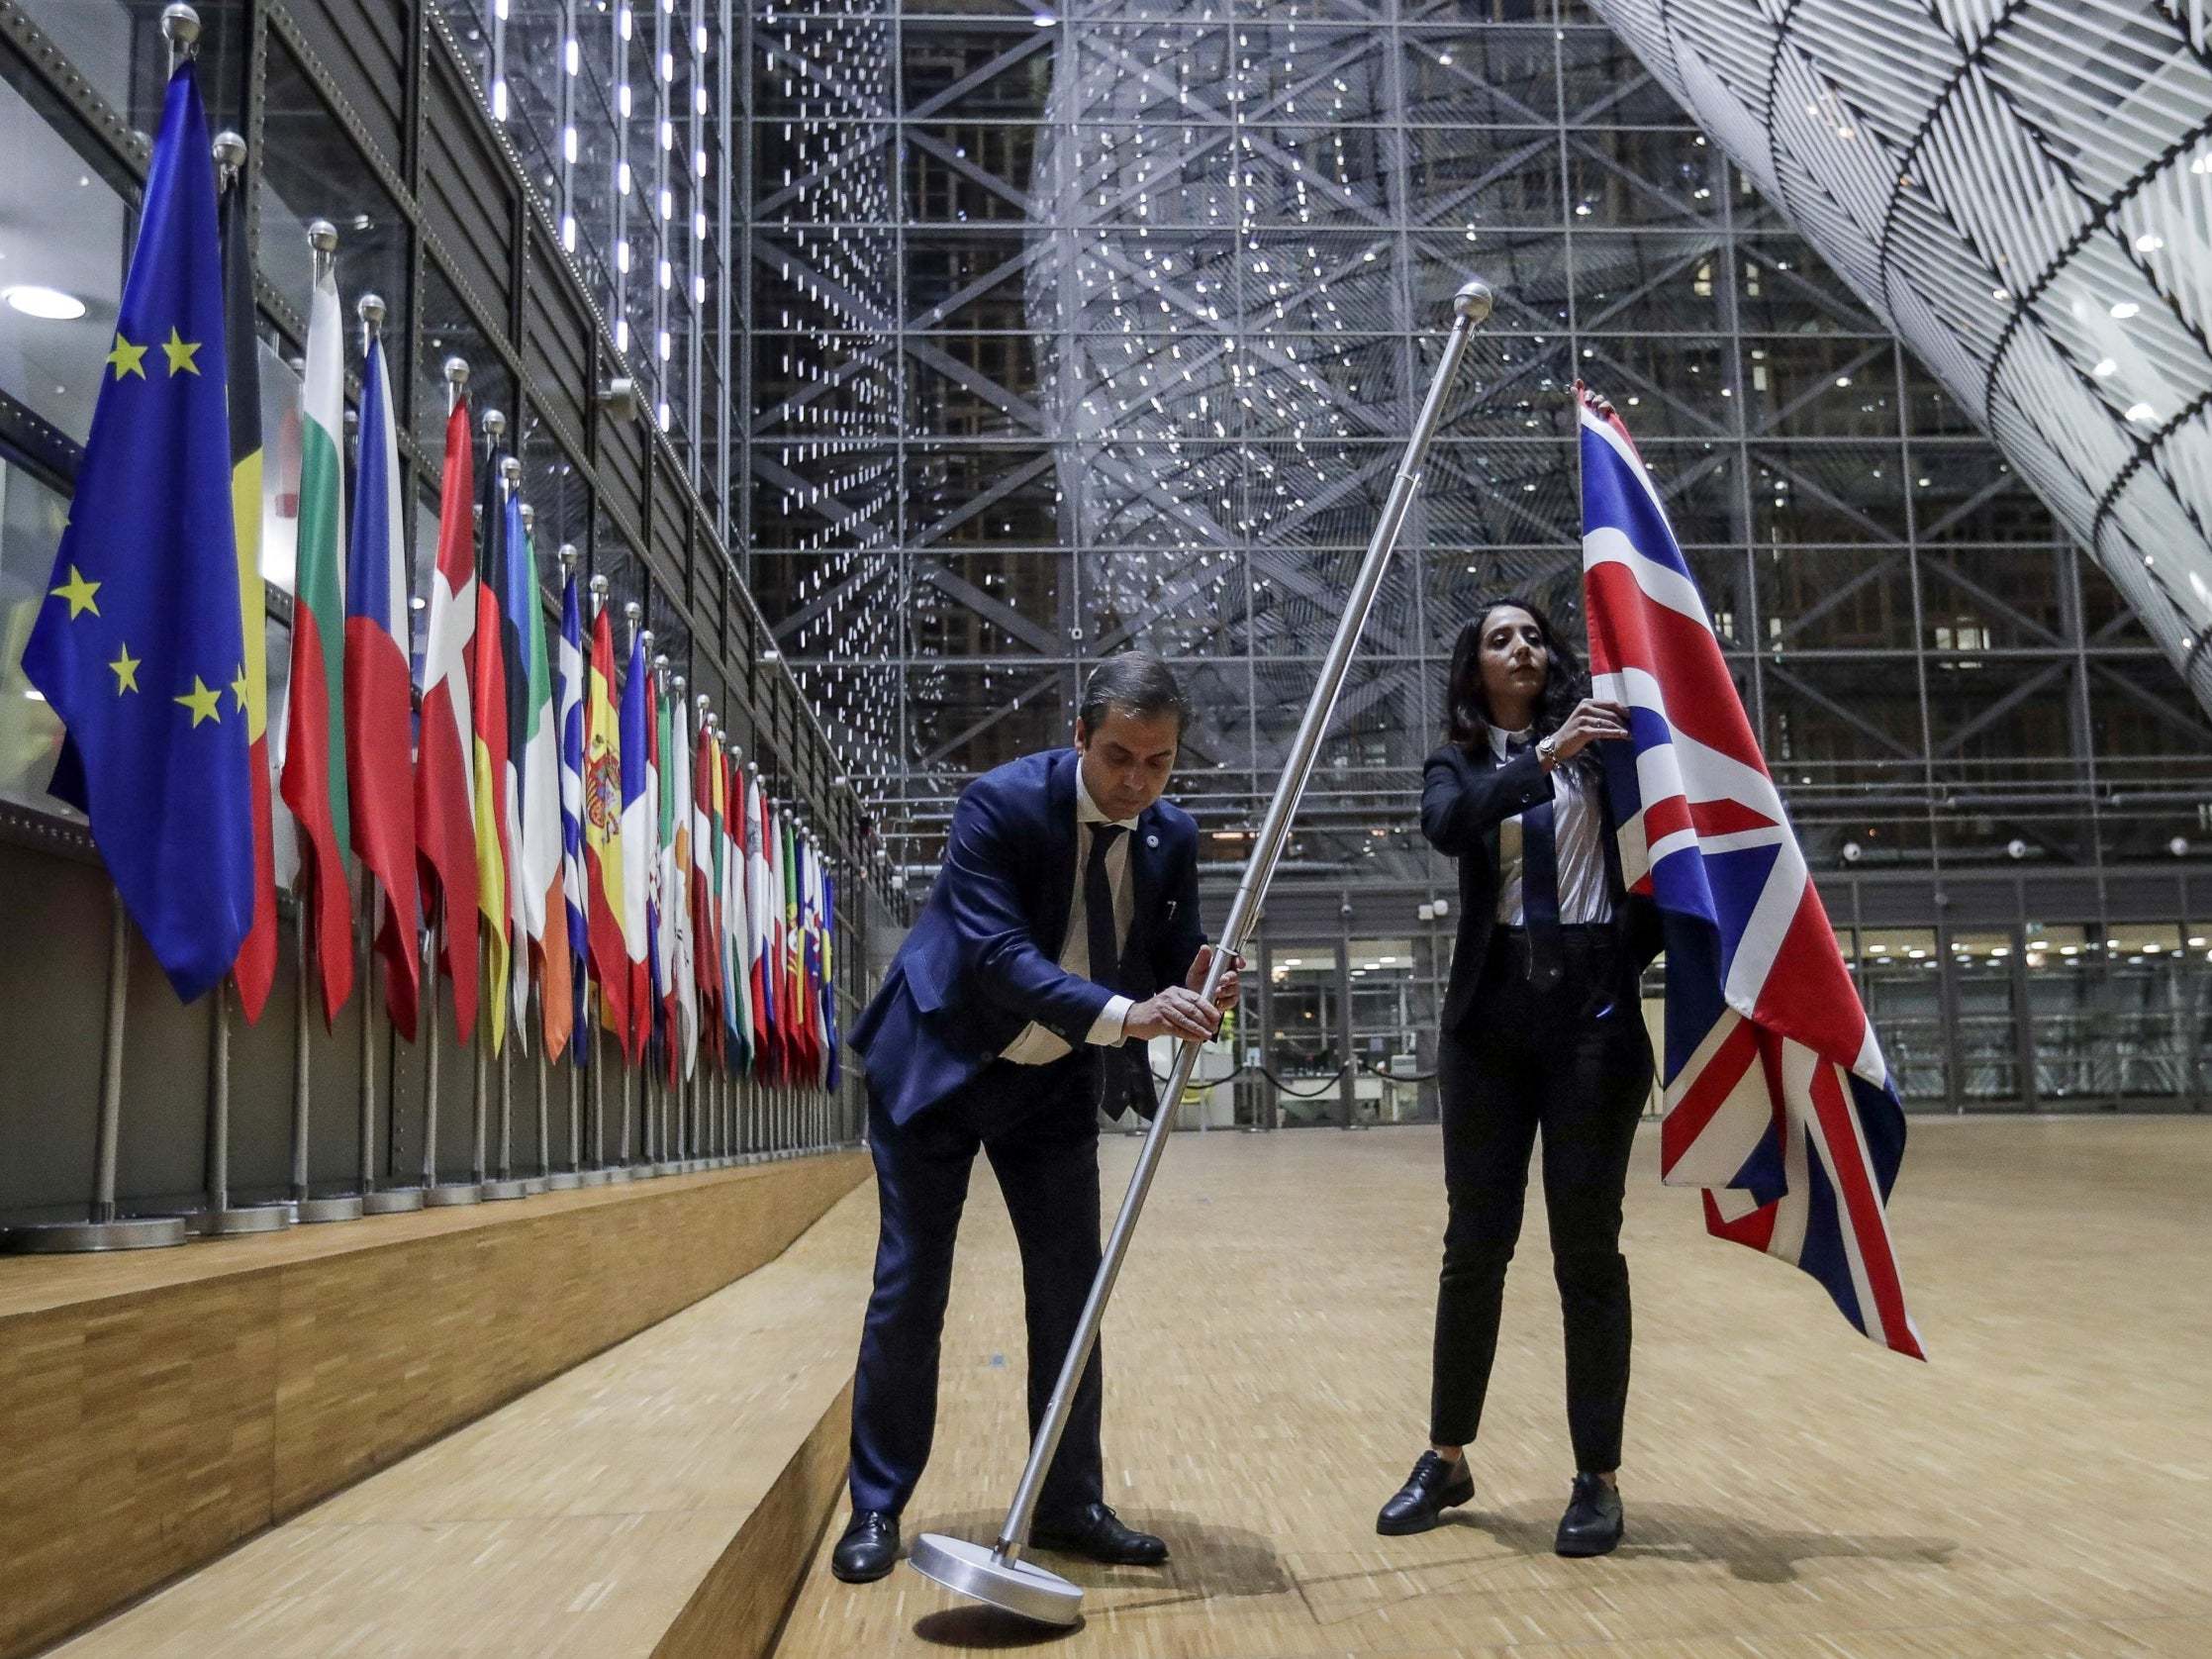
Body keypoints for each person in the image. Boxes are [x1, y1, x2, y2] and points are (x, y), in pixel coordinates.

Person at [830, 652, 1241, 1584]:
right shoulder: (999, 805)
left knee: (1071, 1292)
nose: (1137, 782)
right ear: (1078, 740)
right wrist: (1123, 1015)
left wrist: (1195, 983)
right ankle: (876, 1505)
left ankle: (1065, 1504)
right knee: (911, 1289)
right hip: (937, 1064)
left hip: (1052, 1079)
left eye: (1159, 762)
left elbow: (1161, 959)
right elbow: (995, 954)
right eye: (1118, 757)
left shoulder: (1169, 837)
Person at [1375, 596, 1660, 1557]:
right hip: (1490, 1022)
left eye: (1535, 634)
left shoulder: (1606, 754)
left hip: (1592, 1019)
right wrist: (1538, 759)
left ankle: (1598, 1476)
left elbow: (1660, 870)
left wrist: (1620, 959)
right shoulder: (1457, 762)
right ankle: (1448, 1455)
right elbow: (1450, 826)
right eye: (1501, 637)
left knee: (1587, 1254)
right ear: (1475, 668)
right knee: (1474, 1246)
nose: (1522, 647)